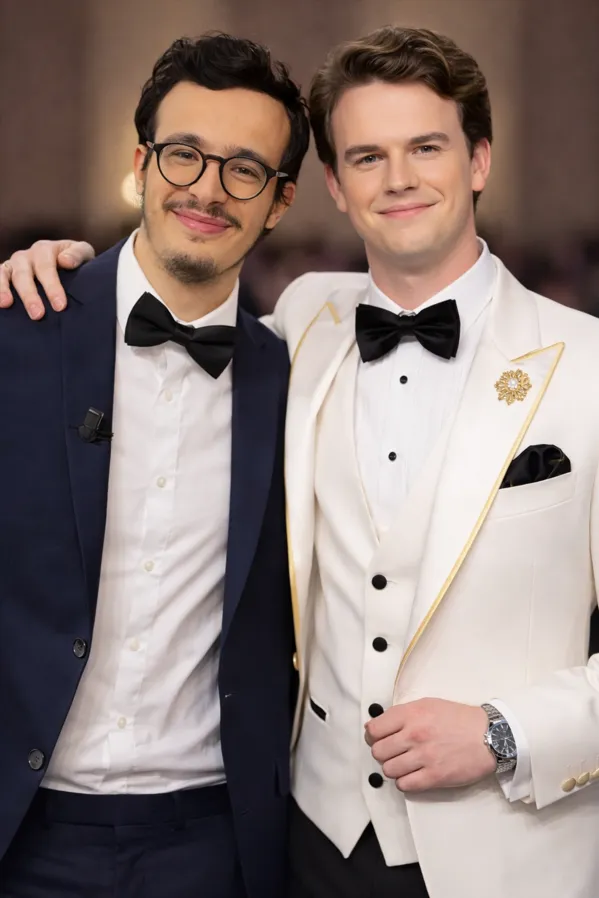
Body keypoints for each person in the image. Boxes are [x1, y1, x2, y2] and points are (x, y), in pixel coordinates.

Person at [4, 24, 599, 898]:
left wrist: (506, 733)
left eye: (425, 148)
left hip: (505, 852)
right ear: (333, 185)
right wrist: (45, 266)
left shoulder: (584, 364)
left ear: (478, 160)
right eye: (366, 156)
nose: (396, 179)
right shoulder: (305, 333)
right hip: (306, 846)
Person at [0, 32, 310, 898]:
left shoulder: (299, 380)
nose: (207, 189)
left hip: (212, 843)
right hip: (20, 829)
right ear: (141, 164)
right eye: (184, 155)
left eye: (244, 169)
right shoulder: (16, 332)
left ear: (279, 201)